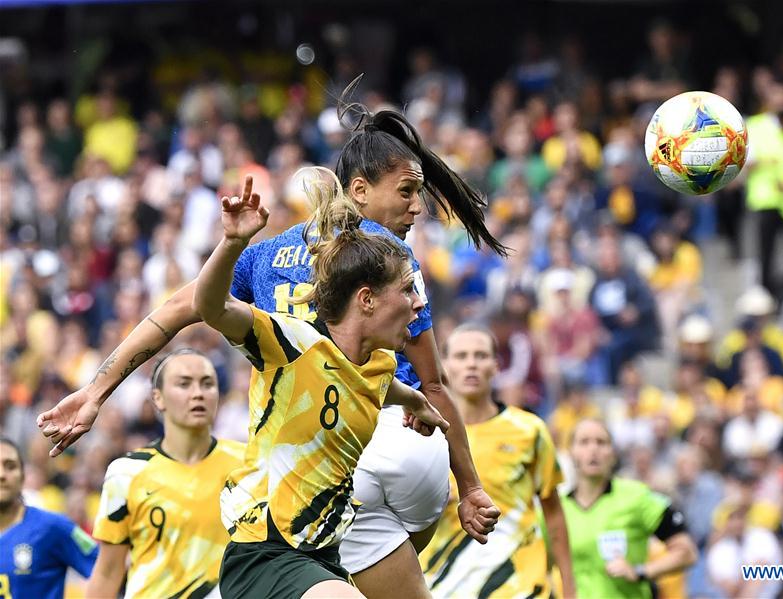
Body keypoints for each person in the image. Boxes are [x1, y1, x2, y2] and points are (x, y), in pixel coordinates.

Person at [38, 95, 503, 596]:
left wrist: (96, 390)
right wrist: (469, 483)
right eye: (408, 191)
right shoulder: (383, 265)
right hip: (351, 485)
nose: (417, 207)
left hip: (336, 484)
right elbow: (430, 383)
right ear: (364, 297)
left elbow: (181, 308)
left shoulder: (283, 274)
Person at [195, 181, 448, 598]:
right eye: (407, 290)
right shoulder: (291, 344)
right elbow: (211, 307)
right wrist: (230, 244)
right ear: (366, 300)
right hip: (266, 551)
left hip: (324, 555)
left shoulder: (380, 363)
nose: (418, 304)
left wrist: (418, 403)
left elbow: (383, 388)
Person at [419, 323, 576, 599]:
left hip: (520, 586)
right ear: (444, 365)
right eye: (461, 356)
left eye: (480, 356)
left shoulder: (530, 430)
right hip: (445, 586)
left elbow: (553, 513)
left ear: (496, 365)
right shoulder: (423, 430)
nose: (471, 365)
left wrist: (569, 589)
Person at [85, 349, 245, 598]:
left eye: (207, 384)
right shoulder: (127, 472)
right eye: (184, 384)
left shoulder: (246, 464)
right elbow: (108, 572)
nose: (198, 393)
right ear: (157, 398)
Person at [561, 419, 697, 598]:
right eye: (584, 442)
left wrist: (641, 571)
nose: (593, 449)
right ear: (571, 453)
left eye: (601, 442)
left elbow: (687, 552)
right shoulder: (557, 509)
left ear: (613, 453)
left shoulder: (636, 497)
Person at [0, 437, 98, 599]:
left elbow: (107, 571)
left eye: (10, 466)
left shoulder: (53, 527)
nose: (2, 474)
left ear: (23, 476)